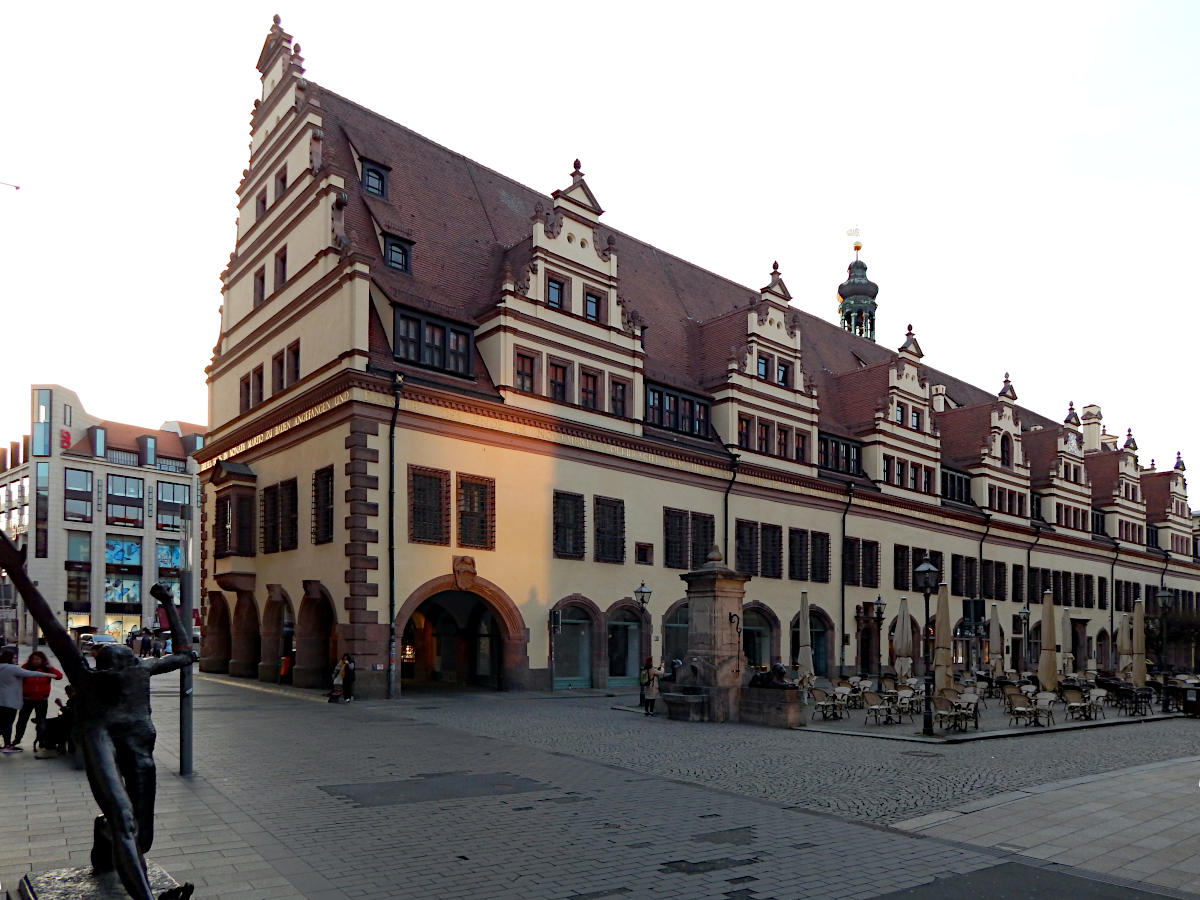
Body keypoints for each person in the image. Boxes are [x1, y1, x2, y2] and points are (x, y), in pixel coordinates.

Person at [0, 530, 195, 900]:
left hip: (138, 750)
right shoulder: (89, 679)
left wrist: (169, 602)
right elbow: (51, 625)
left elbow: (186, 654)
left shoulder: (140, 671)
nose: (113, 655)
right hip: (100, 739)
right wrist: (18, 574)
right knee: (124, 819)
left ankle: (104, 845)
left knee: (142, 835)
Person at [1, 647, 53, 752]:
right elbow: (30, 673)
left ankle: (8, 744)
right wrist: (47, 674)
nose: (15, 659)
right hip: (9, 701)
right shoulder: (13, 668)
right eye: (14, 657)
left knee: (2, 722)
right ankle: (7, 745)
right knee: (8, 723)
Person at [13, 649, 64, 747]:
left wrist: (50, 668)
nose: (35, 661)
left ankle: (41, 740)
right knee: (22, 720)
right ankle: (17, 739)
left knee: (41, 722)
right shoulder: (25, 667)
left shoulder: (47, 669)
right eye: (33, 659)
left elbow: (59, 676)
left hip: (42, 700)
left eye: (38, 659)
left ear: (42, 660)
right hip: (27, 699)